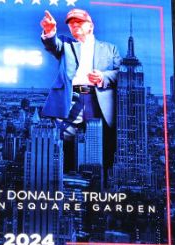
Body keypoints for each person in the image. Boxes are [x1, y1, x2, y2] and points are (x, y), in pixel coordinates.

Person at [39, 8, 121, 174]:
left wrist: (103, 76)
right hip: (72, 98)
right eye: (71, 24)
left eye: (79, 22)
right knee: (65, 139)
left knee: (100, 140)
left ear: (91, 26)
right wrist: (49, 31)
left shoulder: (109, 49)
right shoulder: (66, 44)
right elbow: (52, 44)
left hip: (98, 100)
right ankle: (66, 176)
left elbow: (121, 72)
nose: (74, 25)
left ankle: (100, 181)